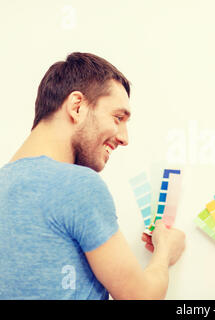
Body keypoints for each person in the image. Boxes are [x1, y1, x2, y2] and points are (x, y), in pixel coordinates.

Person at [0, 52, 185, 299]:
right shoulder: (76, 185)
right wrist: (165, 252)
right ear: (77, 106)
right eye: (118, 118)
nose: (124, 138)